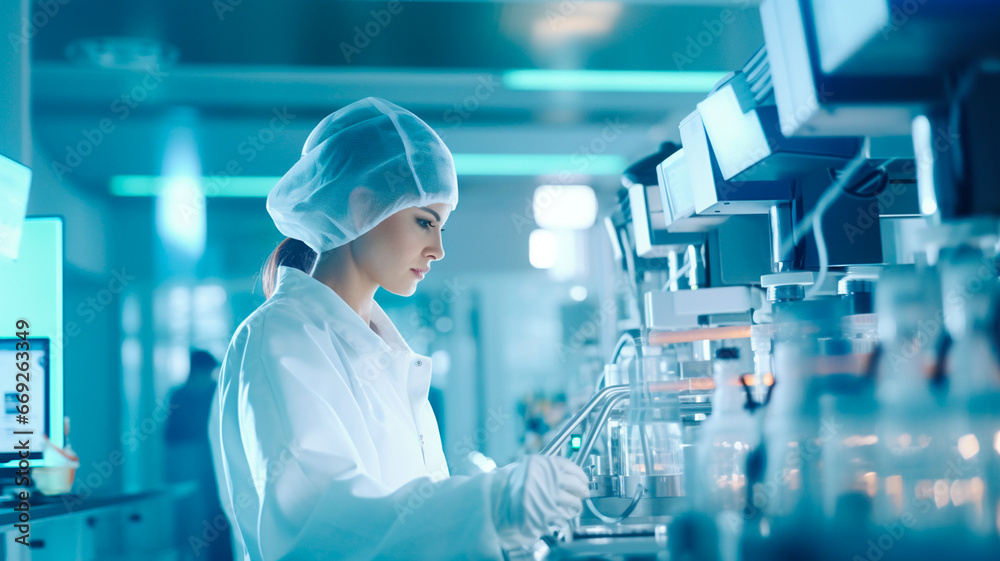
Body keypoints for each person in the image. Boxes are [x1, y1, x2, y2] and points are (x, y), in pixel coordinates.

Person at [207, 97, 589, 561]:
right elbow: (315, 524)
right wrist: (489, 506)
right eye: (424, 222)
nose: (438, 250)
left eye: (441, 227)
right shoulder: (280, 337)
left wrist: (492, 519)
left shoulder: (381, 351)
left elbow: (410, 512)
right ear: (363, 205)